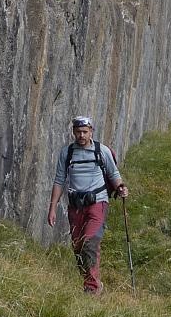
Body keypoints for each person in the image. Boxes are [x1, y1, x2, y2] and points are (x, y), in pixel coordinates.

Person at [47, 116, 129, 294]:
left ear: (91, 131)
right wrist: (52, 208)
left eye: (84, 132)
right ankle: (91, 280)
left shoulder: (102, 151)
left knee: (89, 243)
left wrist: (120, 187)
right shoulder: (67, 153)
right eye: (78, 132)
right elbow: (59, 180)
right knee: (77, 246)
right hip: (75, 205)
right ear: (73, 132)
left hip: (97, 202)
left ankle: (91, 288)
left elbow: (113, 173)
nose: (81, 135)